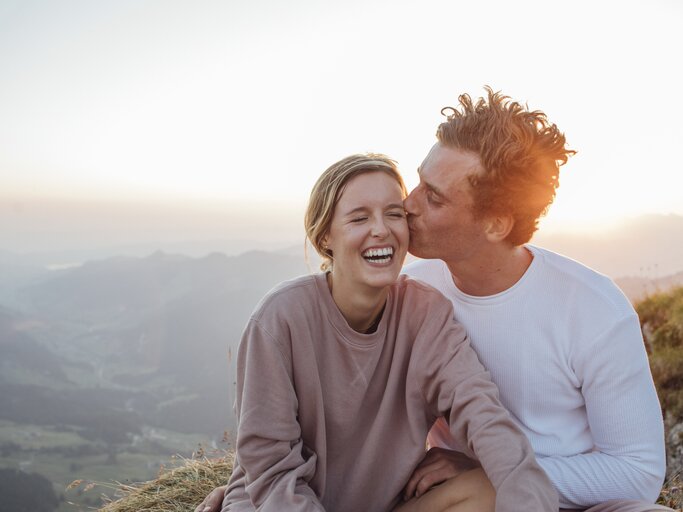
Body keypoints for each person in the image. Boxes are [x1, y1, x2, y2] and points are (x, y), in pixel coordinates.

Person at [196, 89, 670, 512]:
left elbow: (638, 473)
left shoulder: (593, 310)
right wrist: (250, 483)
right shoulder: (406, 292)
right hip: (459, 491)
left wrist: (491, 471)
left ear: (496, 224)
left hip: (550, 493)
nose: (410, 204)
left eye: (435, 198)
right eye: (418, 182)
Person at [219, 153, 557, 511]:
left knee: (488, 489)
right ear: (325, 236)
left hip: (381, 504)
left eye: (394, 213)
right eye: (359, 217)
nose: (381, 229)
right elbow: (270, 471)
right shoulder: (280, 319)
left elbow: (481, 412)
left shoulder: (425, 313)